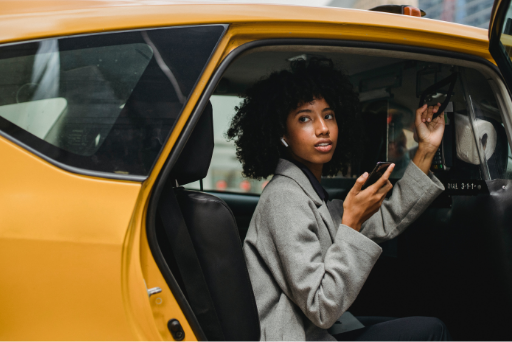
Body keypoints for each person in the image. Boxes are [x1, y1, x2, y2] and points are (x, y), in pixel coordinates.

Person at [227, 58, 451, 342]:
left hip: (319, 330)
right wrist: (351, 222)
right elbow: (322, 307)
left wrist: (427, 148)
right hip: (297, 334)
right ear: (282, 134)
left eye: (329, 115)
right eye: (305, 118)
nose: (323, 128)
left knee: (410, 324)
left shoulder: (309, 192)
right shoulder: (284, 198)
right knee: (433, 330)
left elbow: (384, 222)